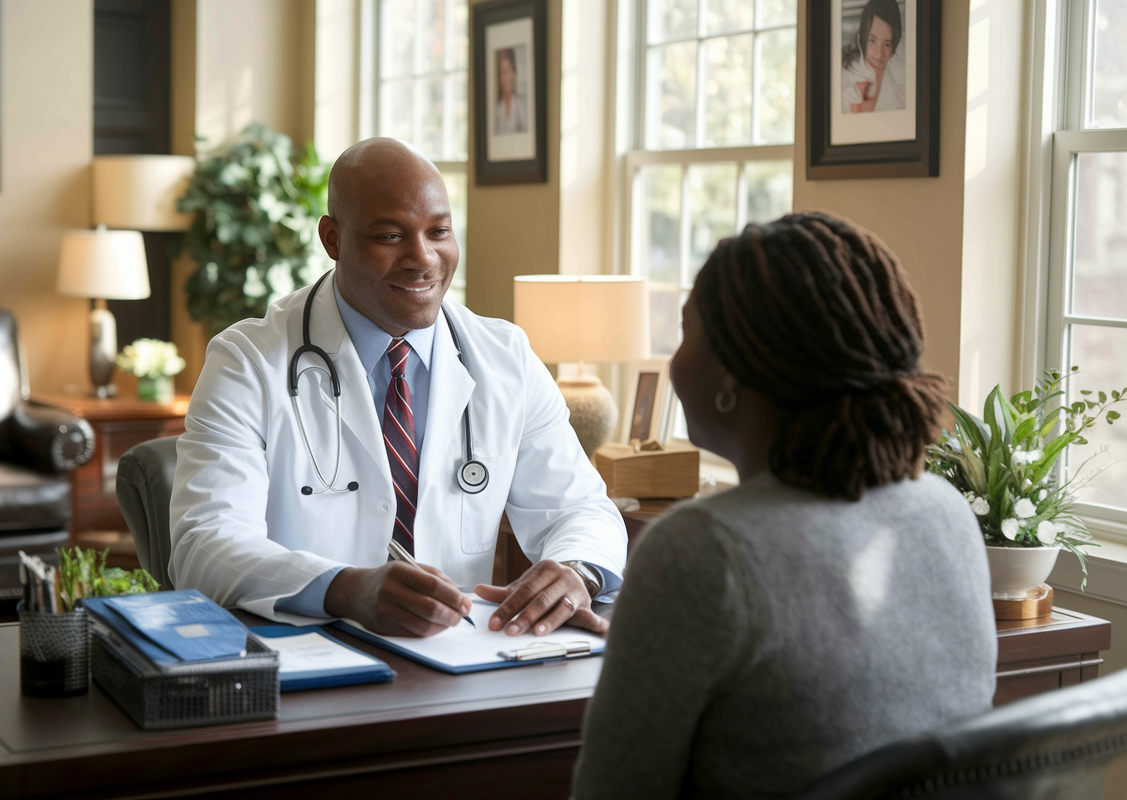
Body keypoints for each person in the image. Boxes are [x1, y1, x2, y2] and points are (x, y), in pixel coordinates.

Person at [571, 212, 996, 797]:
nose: (673, 359)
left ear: (730, 374)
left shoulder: (702, 549)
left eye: (684, 330)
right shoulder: (945, 512)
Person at [170, 138, 625, 638]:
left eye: (440, 231)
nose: (423, 258)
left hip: (454, 663)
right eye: (390, 236)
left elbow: (580, 508)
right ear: (333, 239)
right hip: (307, 656)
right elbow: (203, 543)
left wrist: (575, 571)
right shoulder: (247, 361)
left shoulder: (505, 357)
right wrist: (344, 589)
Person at [841, 0, 906, 113]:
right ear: (862, 38)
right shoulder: (845, 77)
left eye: (887, 45)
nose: (879, 54)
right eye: (873, 41)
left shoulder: (900, 75)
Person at [494, 48, 527, 134]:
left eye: (508, 71)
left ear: (513, 74)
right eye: (503, 73)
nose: (506, 78)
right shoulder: (498, 109)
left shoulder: (522, 105)